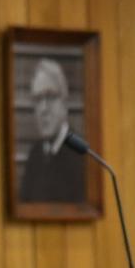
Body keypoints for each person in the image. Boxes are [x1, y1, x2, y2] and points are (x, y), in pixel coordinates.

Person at [18, 58, 86, 203]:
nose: (43, 109)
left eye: (50, 96)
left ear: (65, 102)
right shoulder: (34, 155)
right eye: (37, 99)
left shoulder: (82, 154)